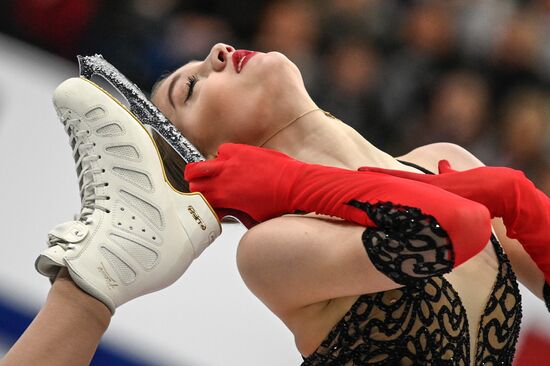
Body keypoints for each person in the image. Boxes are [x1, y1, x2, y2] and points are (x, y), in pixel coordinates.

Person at [2, 43, 548, 365]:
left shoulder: (444, 159)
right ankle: (86, 287)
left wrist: (520, 202)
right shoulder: (270, 249)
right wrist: (288, 184)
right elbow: (449, 227)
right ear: (209, 155)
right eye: (189, 89)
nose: (216, 53)